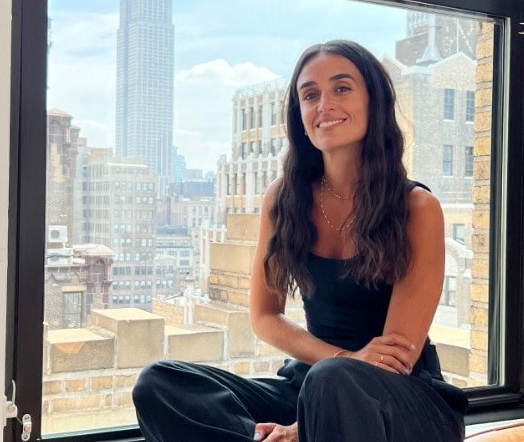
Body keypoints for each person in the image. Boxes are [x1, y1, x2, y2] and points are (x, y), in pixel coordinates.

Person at [133, 40, 468, 442]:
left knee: (333, 379)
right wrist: (337, 365)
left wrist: (301, 427)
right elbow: (265, 316)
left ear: (373, 101)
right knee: (160, 383)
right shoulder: (284, 199)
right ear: (300, 114)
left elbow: (396, 357)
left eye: (341, 88)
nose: (324, 104)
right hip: (311, 384)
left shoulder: (417, 208)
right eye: (310, 95)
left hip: (402, 398)